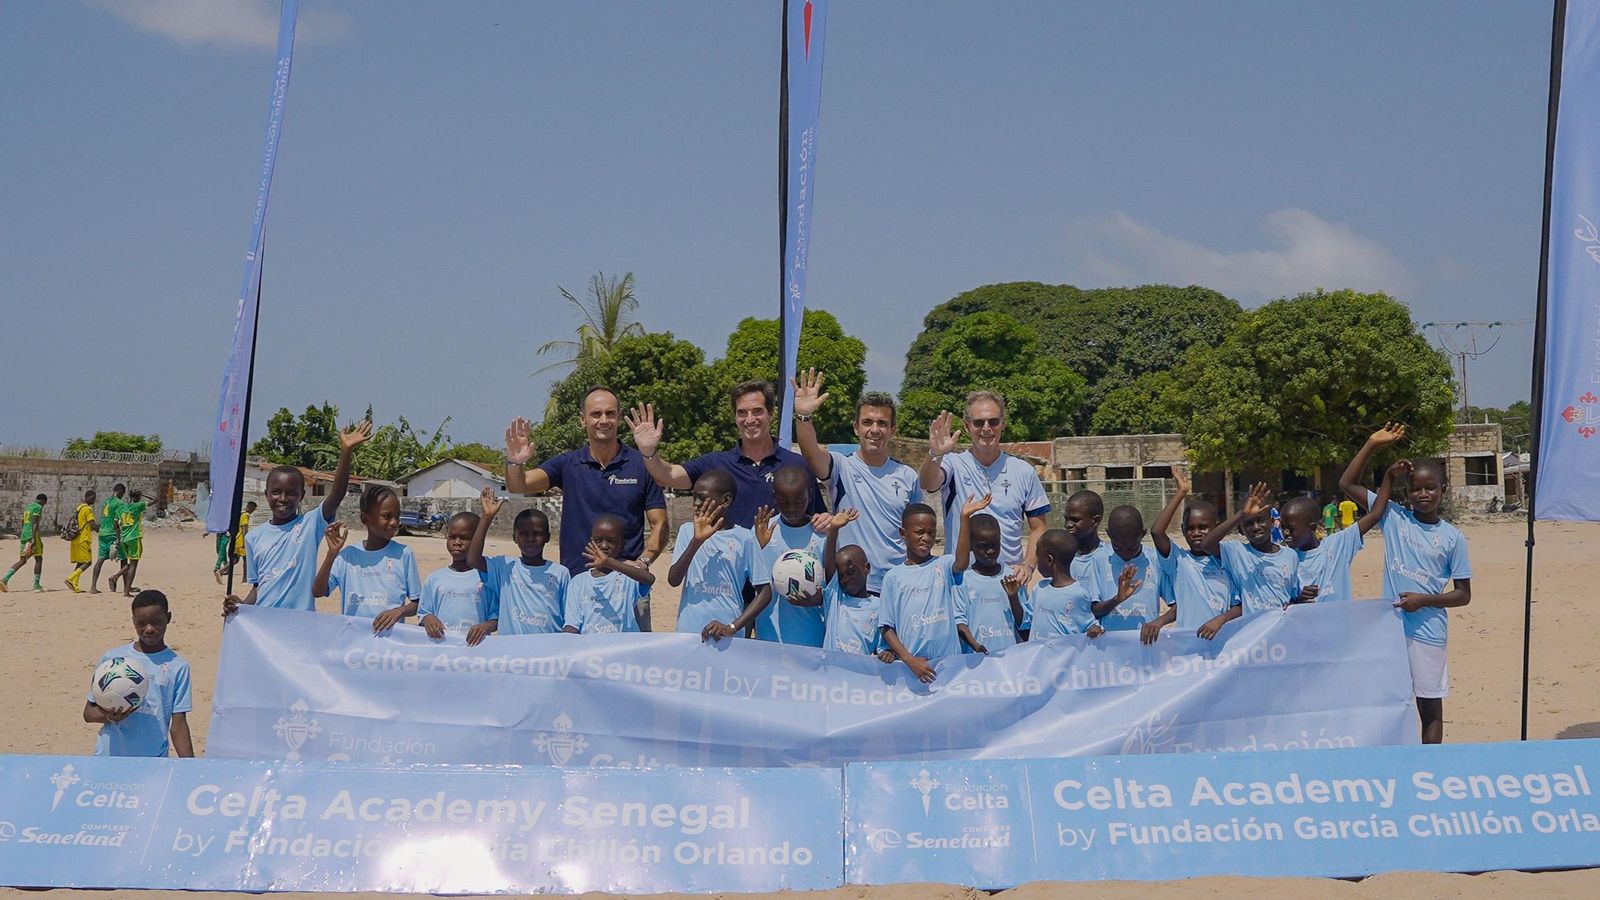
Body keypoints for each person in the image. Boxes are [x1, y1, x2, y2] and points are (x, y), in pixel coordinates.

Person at [1340, 422, 1471, 745]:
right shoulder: (1394, 517)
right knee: (1390, 703)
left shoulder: (1452, 537)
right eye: (1415, 489)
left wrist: (1424, 600)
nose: (1422, 495)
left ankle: (1429, 767)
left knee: (1429, 706)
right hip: (1390, 629)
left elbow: (1463, 594)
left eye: (1430, 488)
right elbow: (1346, 483)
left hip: (1427, 631)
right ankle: (1396, 764)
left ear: (1443, 490)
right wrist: (1375, 450)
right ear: (1406, 492)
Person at [505, 387, 669, 573]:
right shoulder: (567, 464)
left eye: (610, 413)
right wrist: (514, 462)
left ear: (619, 417)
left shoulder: (644, 465)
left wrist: (643, 562)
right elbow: (518, 485)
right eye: (596, 414)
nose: (604, 420)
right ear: (583, 419)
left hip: (628, 582)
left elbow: (660, 524)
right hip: (578, 582)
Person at [791, 371, 923, 595]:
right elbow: (811, 453)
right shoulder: (841, 467)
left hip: (897, 586)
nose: (874, 430)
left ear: (892, 430)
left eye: (882, 423)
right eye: (867, 422)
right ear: (856, 428)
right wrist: (803, 416)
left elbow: (916, 532)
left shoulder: (908, 476)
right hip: (851, 586)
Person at [224, 421, 372, 616]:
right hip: (266, 623)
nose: (283, 499)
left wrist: (346, 452)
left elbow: (335, 496)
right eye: (276, 492)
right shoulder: (254, 538)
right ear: (266, 494)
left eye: (291, 493)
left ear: (301, 496)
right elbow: (259, 588)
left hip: (301, 623)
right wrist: (240, 605)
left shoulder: (310, 525)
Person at [628, 380, 823, 528]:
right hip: (731, 575)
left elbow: (817, 517)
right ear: (735, 417)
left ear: (770, 414)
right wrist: (648, 451)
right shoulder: (716, 464)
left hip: (780, 572)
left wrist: (825, 521)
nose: (750, 419)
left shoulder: (797, 466)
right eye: (742, 413)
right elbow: (668, 475)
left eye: (757, 411)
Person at [919, 391, 1049, 580]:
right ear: (967, 426)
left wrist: (1028, 565)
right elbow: (927, 483)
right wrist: (935, 454)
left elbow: (1039, 526)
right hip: (962, 580)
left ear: (1003, 425)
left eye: (993, 422)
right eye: (978, 423)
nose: (986, 428)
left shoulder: (1023, 471)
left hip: (1008, 581)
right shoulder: (953, 463)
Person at [1280, 428, 1406, 604]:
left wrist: (1388, 476)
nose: (1285, 533)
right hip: (1306, 630)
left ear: (1312, 528)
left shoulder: (1338, 545)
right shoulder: (1284, 557)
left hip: (1340, 629)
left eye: (1291, 529)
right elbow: (1281, 604)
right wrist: (1298, 600)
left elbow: (1376, 513)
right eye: (1282, 527)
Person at [83, 590, 194, 758]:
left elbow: (178, 725)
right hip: (110, 756)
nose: (149, 629)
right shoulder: (112, 660)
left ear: (168, 618)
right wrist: (110, 717)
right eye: (141, 623)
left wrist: (190, 766)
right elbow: (89, 713)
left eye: (156, 622)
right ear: (133, 621)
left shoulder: (178, 666)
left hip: (153, 759)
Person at [880, 499, 980, 683]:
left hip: (950, 667)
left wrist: (965, 518)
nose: (926, 537)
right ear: (903, 533)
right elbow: (886, 628)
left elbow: (962, 562)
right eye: (919, 532)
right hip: (915, 670)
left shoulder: (943, 564)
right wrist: (910, 661)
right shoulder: (893, 577)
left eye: (931, 533)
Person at [670, 471, 773, 641]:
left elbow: (765, 592)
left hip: (727, 635)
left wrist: (733, 627)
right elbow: (674, 580)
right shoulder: (687, 531)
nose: (696, 503)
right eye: (693, 497)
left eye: (702, 498)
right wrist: (696, 541)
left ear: (725, 500)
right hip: (689, 632)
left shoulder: (745, 538)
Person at [1143, 468, 1239, 643]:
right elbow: (1157, 532)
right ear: (1183, 531)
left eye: (1203, 527)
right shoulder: (1179, 560)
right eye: (1190, 528)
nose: (1196, 533)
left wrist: (1221, 619)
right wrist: (1181, 493)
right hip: (1187, 645)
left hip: (1223, 645)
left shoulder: (1228, 559)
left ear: (1216, 527)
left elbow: (1239, 606)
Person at [752, 464, 841, 645]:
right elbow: (755, 583)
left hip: (812, 636)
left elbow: (835, 587)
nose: (792, 507)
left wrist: (820, 599)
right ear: (775, 497)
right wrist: (761, 547)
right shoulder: (763, 531)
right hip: (770, 637)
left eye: (799, 500)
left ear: (809, 494)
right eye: (785, 502)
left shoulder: (823, 534)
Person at [313, 485, 421, 633]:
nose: (395, 522)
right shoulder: (347, 556)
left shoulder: (404, 553)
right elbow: (318, 591)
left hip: (390, 644)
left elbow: (417, 603)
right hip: (354, 640)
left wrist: (399, 612)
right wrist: (331, 555)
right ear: (365, 518)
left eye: (397, 516)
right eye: (387, 516)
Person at [471, 488, 569, 636]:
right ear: (514, 537)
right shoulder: (505, 567)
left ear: (547, 537)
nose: (530, 538)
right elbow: (472, 559)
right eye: (524, 534)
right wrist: (487, 517)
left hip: (548, 650)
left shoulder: (560, 573)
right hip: (513, 652)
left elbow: (568, 615)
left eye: (537, 534)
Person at [1195, 483, 1296, 616]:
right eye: (1248, 523)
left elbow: (1293, 596)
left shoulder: (1291, 555)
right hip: (1251, 630)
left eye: (1260, 520)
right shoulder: (1236, 552)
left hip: (1279, 629)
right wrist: (1242, 514)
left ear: (1272, 522)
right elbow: (1206, 544)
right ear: (1241, 529)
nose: (1255, 527)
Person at [1030, 528, 1135, 640]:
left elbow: (1089, 625)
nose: (1037, 562)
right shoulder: (1039, 588)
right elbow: (1024, 621)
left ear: (1049, 560)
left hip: (1065, 657)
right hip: (1039, 657)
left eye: (1038, 556)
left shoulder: (1078, 594)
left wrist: (1094, 630)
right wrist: (1013, 597)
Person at [562, 514, 655, 634]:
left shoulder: (627, 577)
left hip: (622, 647)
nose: (604, 546)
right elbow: (572, 624)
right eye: (598, 540)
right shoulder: (578, 582)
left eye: (611, 541)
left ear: (621, 544)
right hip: (591, 649)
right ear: (591, 542)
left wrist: (610, 563)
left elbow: (649, 579)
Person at [954, 512, 1030, 654]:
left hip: (1010, 659)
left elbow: (1025, 624)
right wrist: (976, 646)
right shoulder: (963, 580)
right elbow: (959, 622)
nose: (990, 550)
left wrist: (1013, 598)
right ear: (970, 545)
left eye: (995, 545)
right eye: (983, 546)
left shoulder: (1012, 576)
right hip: (976, 660)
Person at [419, 511, 495, 645]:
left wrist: (486, 626)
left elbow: (496, 617)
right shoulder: (434, 578)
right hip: (442, 651)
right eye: (452, 537)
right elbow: (423, 612)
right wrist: (428, 618)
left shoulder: (488, 578)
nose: (457, 542)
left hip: (476, 650)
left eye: (464, 538)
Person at [1094, 505, 1165, 631]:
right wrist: (1118, 599)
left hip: (1146, 644)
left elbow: (1177, 604)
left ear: (1142, 534)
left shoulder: (1155, 560)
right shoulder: (1099, 559)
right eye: (1117, 548)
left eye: (1132, 547)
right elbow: (1093, 611)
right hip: (1110, 645)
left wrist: (1159, 622)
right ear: (1108, 534)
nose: (1125, 553)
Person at [822, 543, 893, 660]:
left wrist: (889, 653)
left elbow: (884, 647)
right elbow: (829, 564)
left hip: (857, 675)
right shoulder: (836, 599)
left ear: (867, 568)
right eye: (841, 576)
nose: (846, 579)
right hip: (830, 673)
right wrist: (833, 530)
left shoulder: (880, 607)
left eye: (851, 572)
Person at [1063, 489, 1113, 605]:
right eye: (1066, 519)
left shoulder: (1108, 557)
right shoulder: (1063, 556)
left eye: (1075, 520)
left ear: (1095, 521)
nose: (1068, 525)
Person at [2, 493, 47, 592]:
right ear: (43, 501)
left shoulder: (28, 507)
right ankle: (36, 585)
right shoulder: (38, 507)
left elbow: (22, 522)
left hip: (24, 536)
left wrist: (23, 534)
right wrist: (34, 539)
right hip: (32, 536)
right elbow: (35, 523)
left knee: (22, 560)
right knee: (39, 559)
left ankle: (5, 579)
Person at [113, 489, 152, 596]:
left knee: (129, 563)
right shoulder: (137, 506)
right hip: (134, 537)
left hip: (123, 538)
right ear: (138, 497)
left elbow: (115, 525)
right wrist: (143, 493)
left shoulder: (120, 509)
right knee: (134, 565)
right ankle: (126, 591)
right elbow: (155, 499)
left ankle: (116, 576)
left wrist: (118, 539)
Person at [90, 483, 126, 594]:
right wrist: (119, 537)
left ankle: (93, 587)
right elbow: (118, 522)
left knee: (100, 560)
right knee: (124, 559)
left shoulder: (106, 501)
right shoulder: (120, 503)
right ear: (121, 492)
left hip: (102, 532)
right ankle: (125, 585)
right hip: (112, 533)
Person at [214, 501, 256, 585]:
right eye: (253, 509)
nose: (253, 511)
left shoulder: (240, 514)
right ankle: (244, 580)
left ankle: (221, 571)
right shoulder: (246, 515)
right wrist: (245, 541)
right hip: (241, 540)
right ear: (250, 507)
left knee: (235, 560)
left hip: (236, 539)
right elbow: (244, 529)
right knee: (246, 560)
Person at [65, 489, 96, 593]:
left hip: (75, 539)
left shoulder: (79, 508)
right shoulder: (87, 509)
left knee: (80, 562)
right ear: (89, 497)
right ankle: (70, 578)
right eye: (93, 498)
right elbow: (92, 524)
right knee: (88, 562)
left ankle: (75, 584)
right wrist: (102, 531)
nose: (94, 500)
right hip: (84, 538)